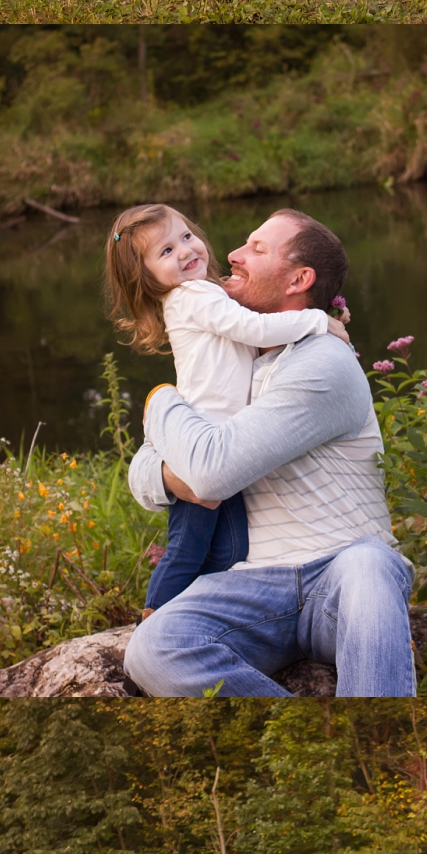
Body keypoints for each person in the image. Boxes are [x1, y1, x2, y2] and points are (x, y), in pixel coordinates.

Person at [122, 206, 415, 696]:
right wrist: (174, 470)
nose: (232, 255)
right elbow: (143, 470)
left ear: (299, 278)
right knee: (154, 647)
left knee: (369, 564)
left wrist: (160, 401)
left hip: (340, 577)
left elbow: (212, 474)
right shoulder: (235, 361)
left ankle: (373, 754)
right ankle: (309, 751)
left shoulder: (323, 362)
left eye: (256, 249)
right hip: (258, 589)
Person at [104, 199, 341, 614]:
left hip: (224, 445)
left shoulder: (208, 293)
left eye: (186, 236)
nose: (185, 250)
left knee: (230, 548)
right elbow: (253, 328)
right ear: (148, 276)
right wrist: (319, 320)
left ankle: (195, 612)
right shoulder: (194, 295)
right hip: (203, 443)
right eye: (166, 252)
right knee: (188, 549)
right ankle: (153, 621)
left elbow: (256, 332)